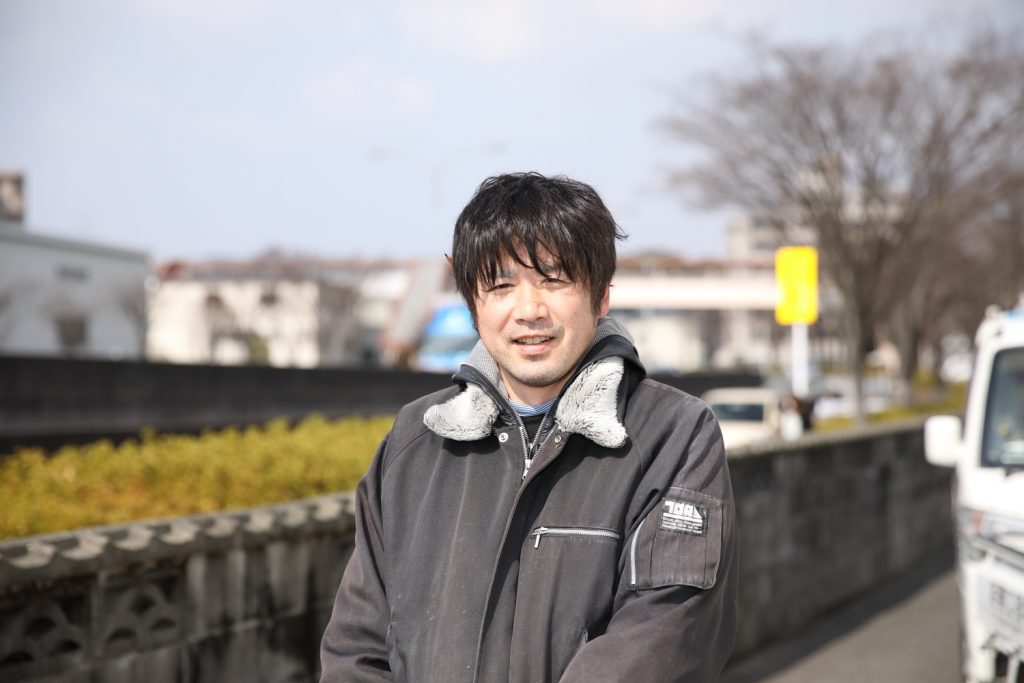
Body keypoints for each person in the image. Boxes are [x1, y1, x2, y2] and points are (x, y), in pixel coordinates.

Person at [320, 172, 738, 682]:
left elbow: (667, 636)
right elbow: (356, 648)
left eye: (554, 280)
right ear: (473, 304)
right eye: (500, 286)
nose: (529, 310)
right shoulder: (417, 441)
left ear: (601, 295)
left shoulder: (672, 435)